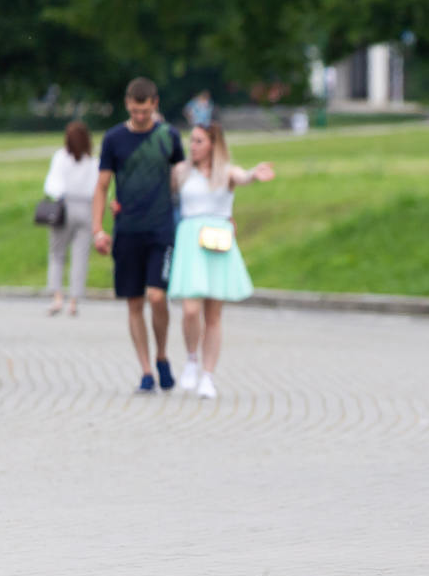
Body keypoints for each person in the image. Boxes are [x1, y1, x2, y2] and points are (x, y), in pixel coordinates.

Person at [167, 122, 275, 399]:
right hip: (191, 240)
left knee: (213, 315)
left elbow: (242, 176)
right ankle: (191, 358)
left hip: (216, 242)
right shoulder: (181, 172)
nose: (193, 146)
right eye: (191, 140)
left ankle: (208, 375)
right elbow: (164, 197)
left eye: (199, 141)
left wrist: (254, 173)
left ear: (213, 144)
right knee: (191, 309)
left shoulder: (225, 173)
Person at [93, 77, 185, 393]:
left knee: (157, 296)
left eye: (145, 110)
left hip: (161, 229)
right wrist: (98, 230)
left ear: (154, 104)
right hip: (127, 231)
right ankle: (146, 370)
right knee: (134, 303)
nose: (140, 116)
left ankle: (162, 354)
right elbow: (102, 185)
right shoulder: (114, 139)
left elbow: (184, 178)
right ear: (127, 105)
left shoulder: (168, 137)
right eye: (135, 110)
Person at [43, 121, 98, 316]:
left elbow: (52, 184)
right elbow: (96, 188)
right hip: (85, 208)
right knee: (80, 256)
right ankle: (74, 301)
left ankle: (57, 296)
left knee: (57, 253)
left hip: (64, 207)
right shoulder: (92, 161)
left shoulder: (61, 157)